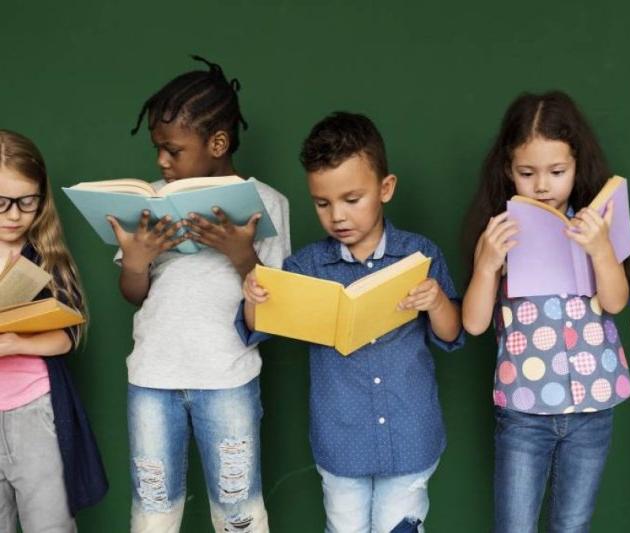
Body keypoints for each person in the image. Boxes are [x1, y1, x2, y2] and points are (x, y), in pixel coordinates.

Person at [238, 111, 464, 533]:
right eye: (322, 204)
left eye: (351, 200)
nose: (337, 216)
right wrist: (253, 297)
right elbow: (257, 328)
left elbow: (451, 334)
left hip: (411, 434)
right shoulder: (305, 266)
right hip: (341, 442)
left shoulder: (419, 255)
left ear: (386, 188)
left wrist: (434, 301)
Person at [108, 56, 290, 533]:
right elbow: (134, 293)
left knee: (238, 512)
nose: (160, 161)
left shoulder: (266, 205)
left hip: (227, 378)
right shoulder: (148, 201)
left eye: (172, 149)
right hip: (152, 377)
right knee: (152, 510)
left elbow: (277, 307)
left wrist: (241, 255)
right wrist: (136, 260)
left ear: (217, 143)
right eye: (157, 148)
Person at [462, 91, 630, 533]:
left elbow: (615, 302)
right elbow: (475, 323)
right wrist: (486, 265)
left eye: (557, 172)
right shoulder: (499, 232)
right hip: (524, 408)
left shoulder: (594, 223)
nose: (542, 185)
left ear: (577, 166)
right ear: (507, 169)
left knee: (572, 525)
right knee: (514, 526)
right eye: (527, 173)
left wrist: (600, 250)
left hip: (592, 405)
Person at [0, 129, 108, 532]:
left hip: (35, 410)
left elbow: (69, 335)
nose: (14, 216)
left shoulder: (46, 256)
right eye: (1, 203)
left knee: (50, 523)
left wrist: (13, 344)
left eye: (27, 202)